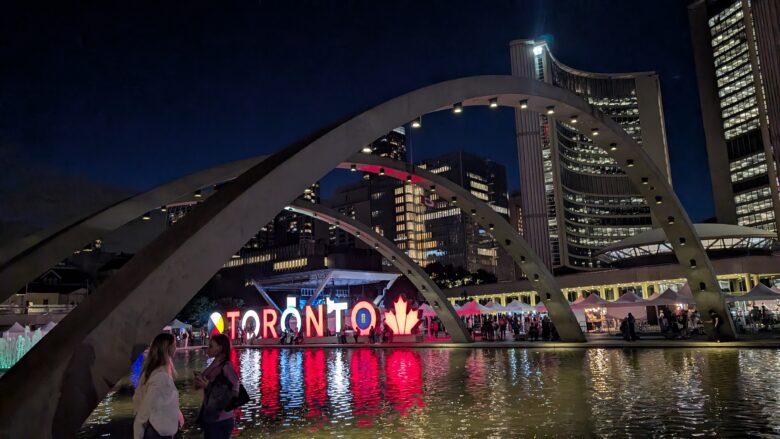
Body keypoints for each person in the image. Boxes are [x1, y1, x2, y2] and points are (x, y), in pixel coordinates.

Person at [133, 333, 183, 439]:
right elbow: (145, 410)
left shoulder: (151, 371)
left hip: (157, 429)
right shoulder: (161, 377)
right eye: (174, 344)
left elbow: (139, 399)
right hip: (158, 432)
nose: (176, 347)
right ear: (168, 348)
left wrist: (177, 413)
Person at [195, 334, 239, 438]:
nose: (208, 348)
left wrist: (208, 386)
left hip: (221, 419)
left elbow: (235, 392)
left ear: (220, 348)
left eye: (211, 346)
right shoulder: (215, 364)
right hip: (210, 417)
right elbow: (197, 386)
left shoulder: (227, 367)